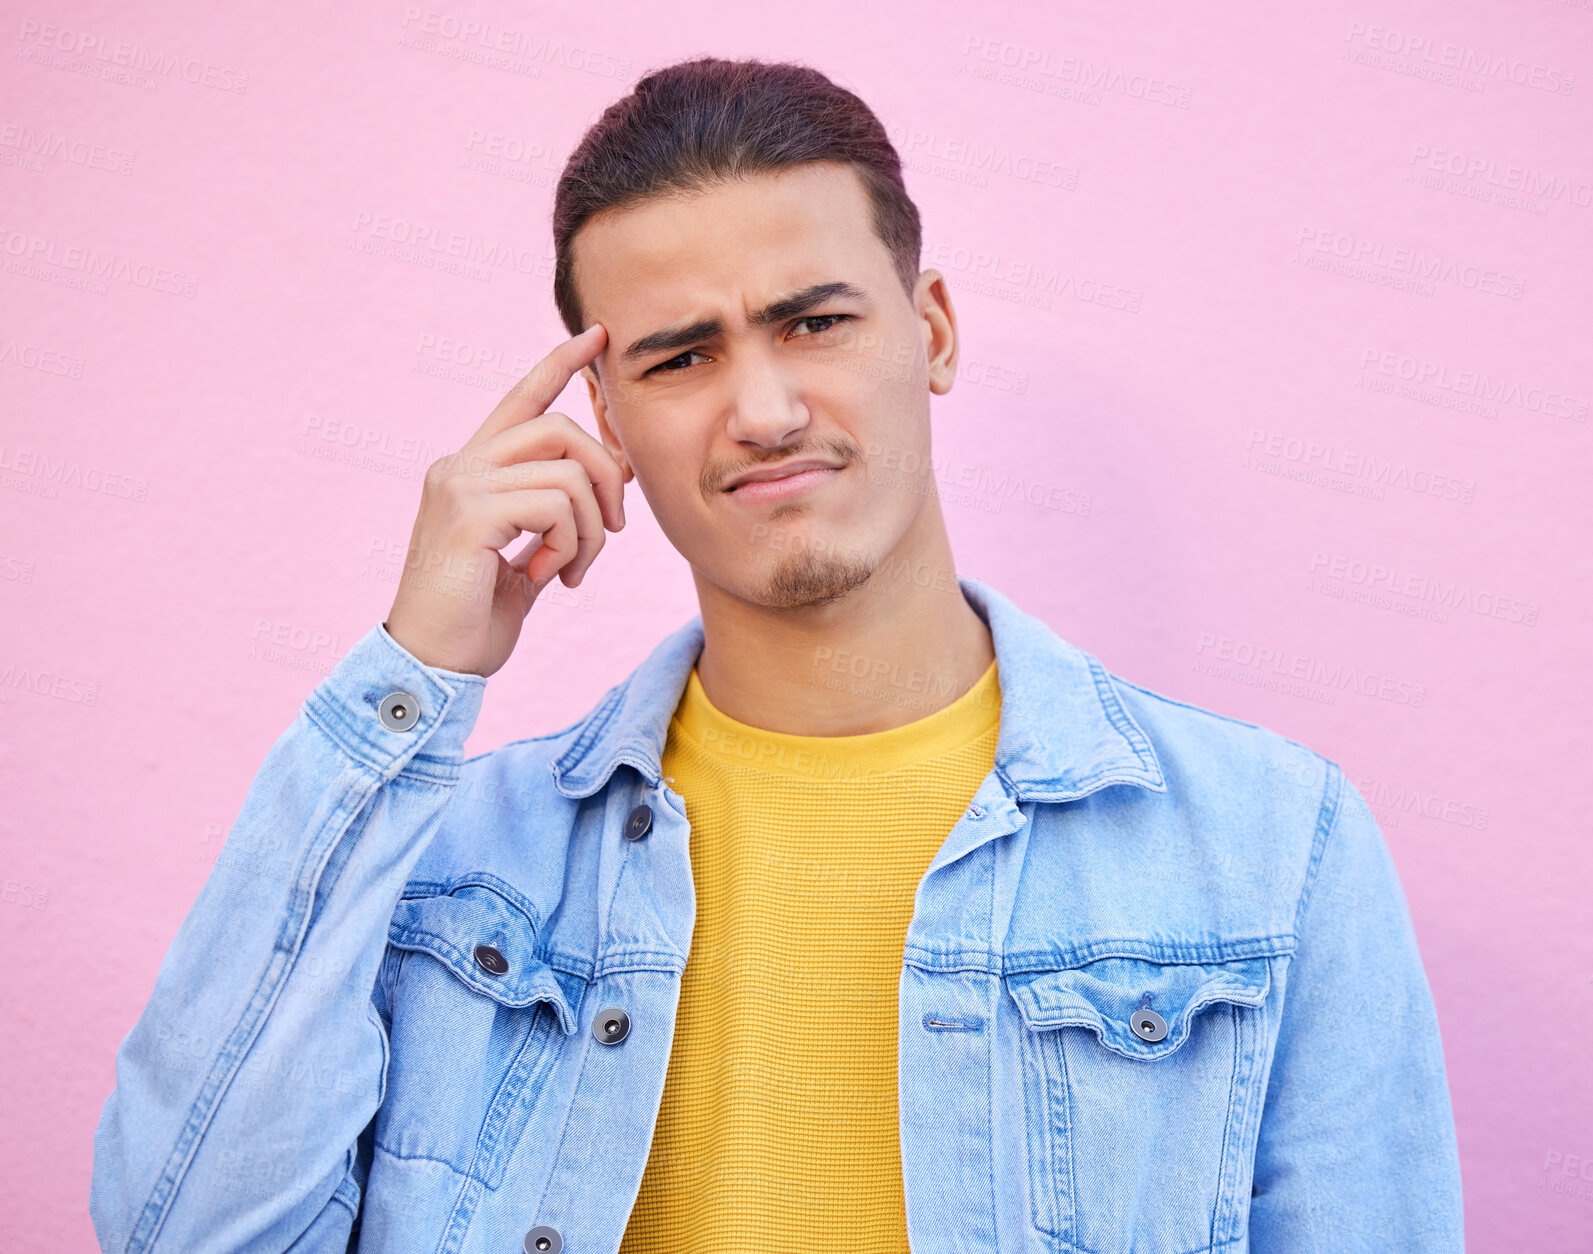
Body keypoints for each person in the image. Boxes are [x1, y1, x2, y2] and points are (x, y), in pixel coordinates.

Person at [89, 56, 1464, 1254]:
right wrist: (411, 673)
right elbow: (187, 1230)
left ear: (929, 330)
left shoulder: (1272, 847)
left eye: (814, 321)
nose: (761, 406)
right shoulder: (456, 863)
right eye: (680, 356)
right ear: (607, 422)